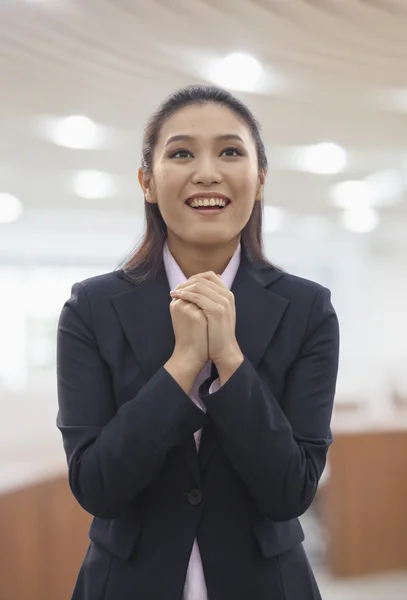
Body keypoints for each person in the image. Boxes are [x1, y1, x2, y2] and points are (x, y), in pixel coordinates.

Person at [56, 84, 339, 600]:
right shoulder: (90, 309)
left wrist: (229, 360)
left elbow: (290, 491)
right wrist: (183, 363)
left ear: (259, 179)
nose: (207, 171)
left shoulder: (308, 310)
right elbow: (97, 486)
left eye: (231, 151)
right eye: (181, 152)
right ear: (146, 181)